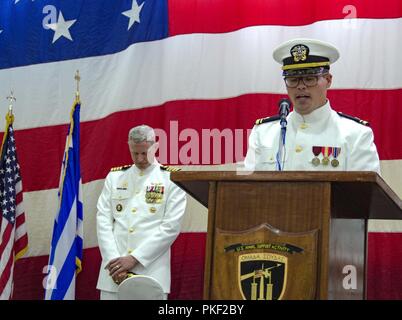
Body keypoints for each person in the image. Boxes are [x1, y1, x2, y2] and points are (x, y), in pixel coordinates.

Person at [244, 38, 380, 173]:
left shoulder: (356, 135)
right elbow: (246, 189)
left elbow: (365, 193)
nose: (301, 86)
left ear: (328, 80)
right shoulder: (263, 133)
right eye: (293, 80)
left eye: (310, 79)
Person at [96, 124, 187, 300]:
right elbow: (103, 222)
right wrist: (115, 263)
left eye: (144, 153)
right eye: (134, 153)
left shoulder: (172, 179)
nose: (139, 158)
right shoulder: (115, 177)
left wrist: (134, 258)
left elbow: (170, 228)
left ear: (156, 147)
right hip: (113, 274)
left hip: (151, 272)